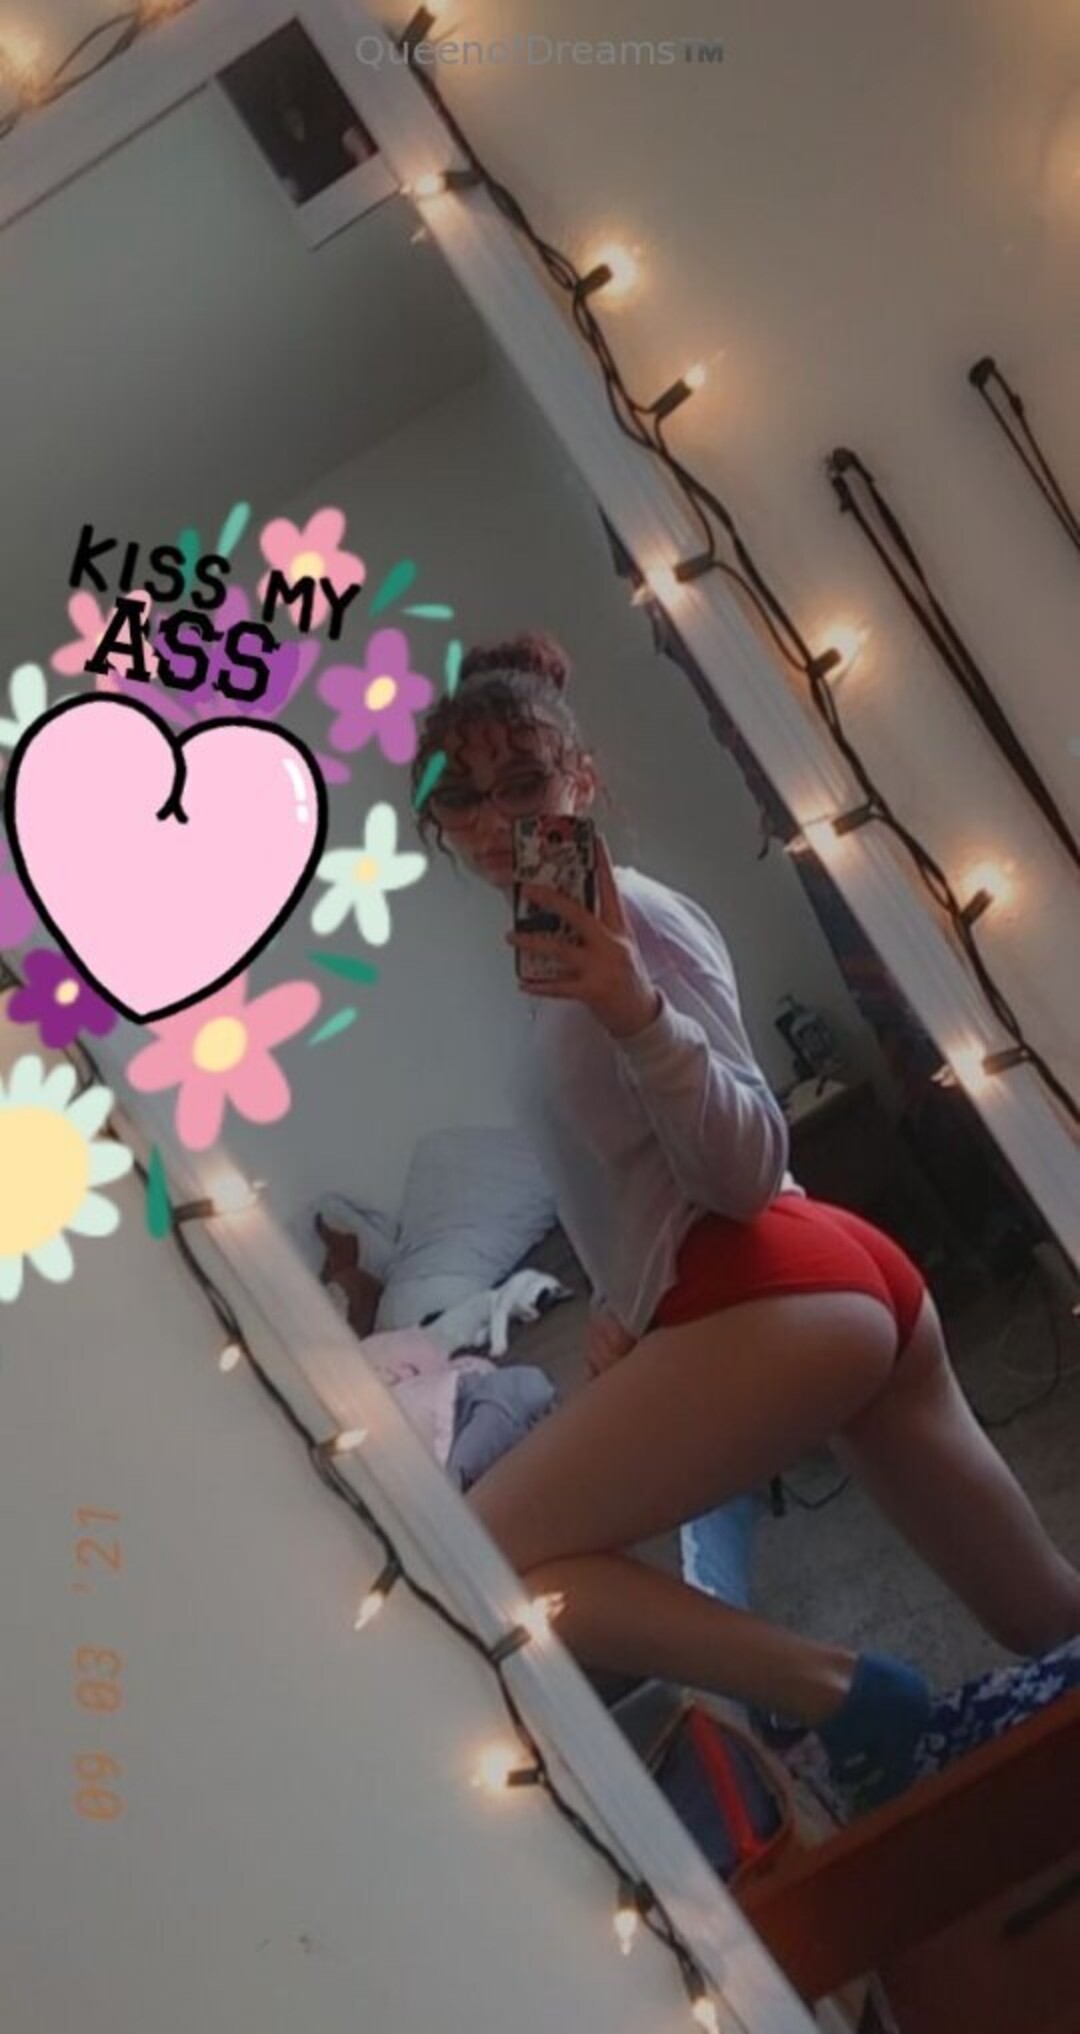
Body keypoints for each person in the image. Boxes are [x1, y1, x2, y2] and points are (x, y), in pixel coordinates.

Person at [408, 630, 1080, 1806]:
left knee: (485, 1558)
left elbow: (748, 1163)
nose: (492, 820)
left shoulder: (640, 929)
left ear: (581, 778)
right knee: (1051, 1624)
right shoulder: (556, 963)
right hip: (799, 1292)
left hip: (770, 1282)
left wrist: (637, 1012)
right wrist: (626, 1308)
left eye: (522, 782)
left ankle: (844, 1696)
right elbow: (635, 1176)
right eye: (459, 797)